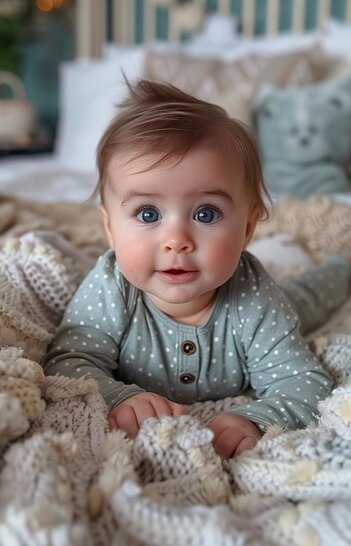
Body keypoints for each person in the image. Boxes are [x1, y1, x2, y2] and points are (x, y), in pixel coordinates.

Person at [44, 80, 350, 459]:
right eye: (148, 213)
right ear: (109, 228)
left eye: (206, 213)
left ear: (248, 228)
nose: (176, 240)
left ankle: (341, 265)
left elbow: (303, 381)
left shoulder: (255, 297)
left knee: (306, 297)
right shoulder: (111, 286)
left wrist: (257, 418)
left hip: (276, 307)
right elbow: (70, 362)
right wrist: (120, 396)